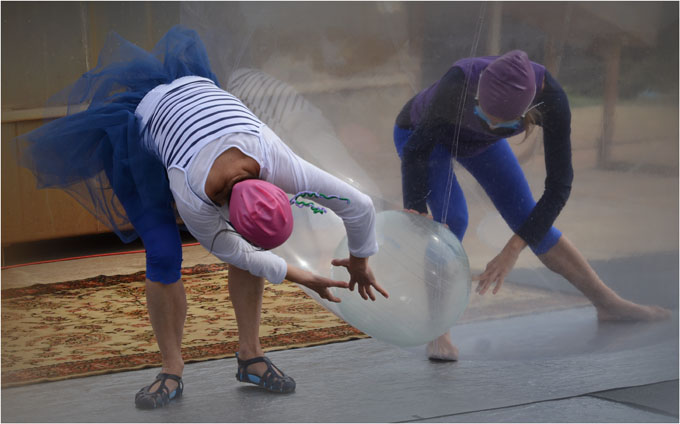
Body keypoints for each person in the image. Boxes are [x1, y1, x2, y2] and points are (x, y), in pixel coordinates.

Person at [17, 26, 388, 408]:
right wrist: (302, 277)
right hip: (142, 132)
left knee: (249, 241)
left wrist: (360, 259)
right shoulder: (192, 195)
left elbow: (358, 205)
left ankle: (250, 356)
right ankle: (171, 368)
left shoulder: (279, 160)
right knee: (163, 255)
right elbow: (239, 253)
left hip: (198, 102)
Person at [393, 50, 671, 361]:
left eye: (501, 124)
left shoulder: (552, 100)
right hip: (420, 137)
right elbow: (416, 150)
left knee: (531, 221)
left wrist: (512, 249)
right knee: (452, 219)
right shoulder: (459, 82)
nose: (490, 125)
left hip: (479, 145)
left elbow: (558, 188)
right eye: (484, 115)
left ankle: (608, 304)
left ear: (526, 112)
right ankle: (438, 330)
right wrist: (416, 210)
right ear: (478, 95)